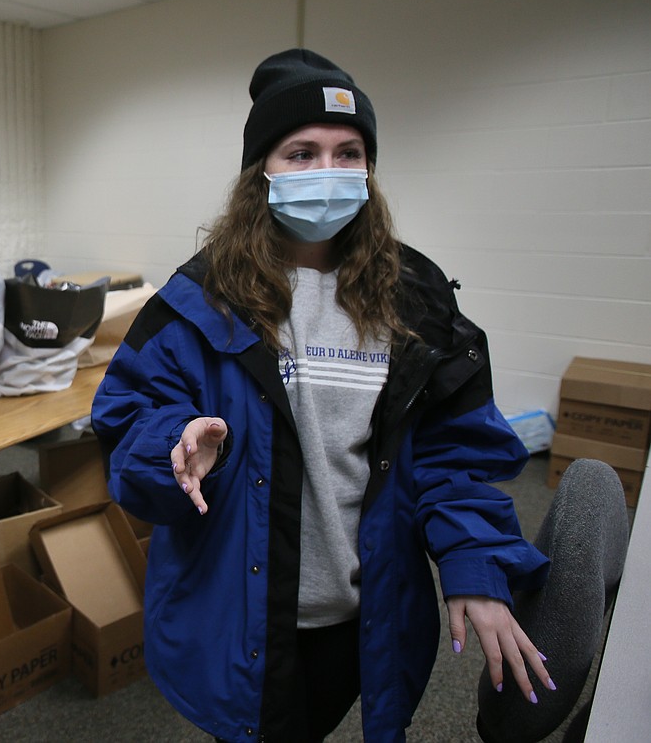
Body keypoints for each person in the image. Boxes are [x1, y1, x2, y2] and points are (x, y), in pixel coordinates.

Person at [90, 49, 555, 743]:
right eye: (301, 153)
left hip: (360, 619)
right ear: (261, 174)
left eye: (349, 152)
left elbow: (455, 456)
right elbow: (127, 434)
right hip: (235, 615)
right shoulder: (198, 301)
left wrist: (475, 565)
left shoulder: (417, 303)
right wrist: (173, 446)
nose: (328, 173)